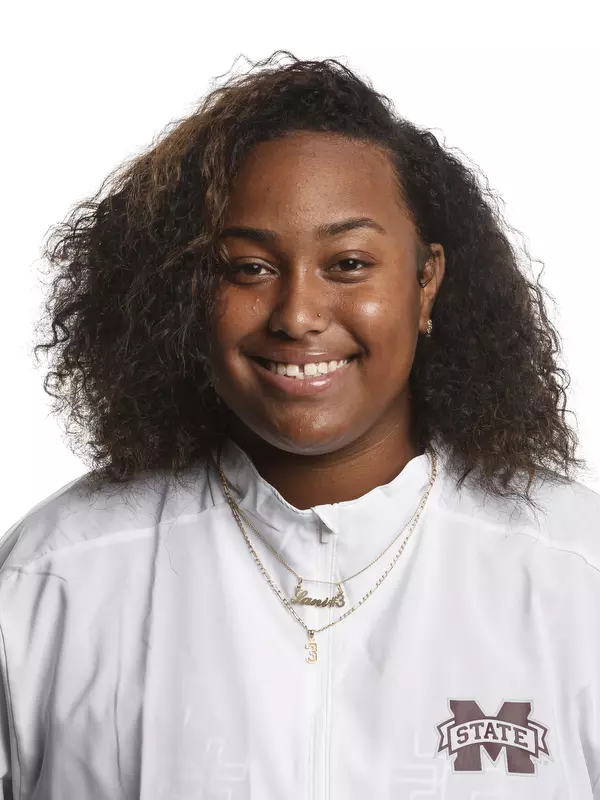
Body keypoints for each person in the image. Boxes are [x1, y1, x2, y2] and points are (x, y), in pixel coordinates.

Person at [1, 50, 599, 800]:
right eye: (248, 268)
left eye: (348, 263)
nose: (298, 316)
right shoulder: (57, 578)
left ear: (425, 282)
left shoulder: (575, 574)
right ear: (187, 293)